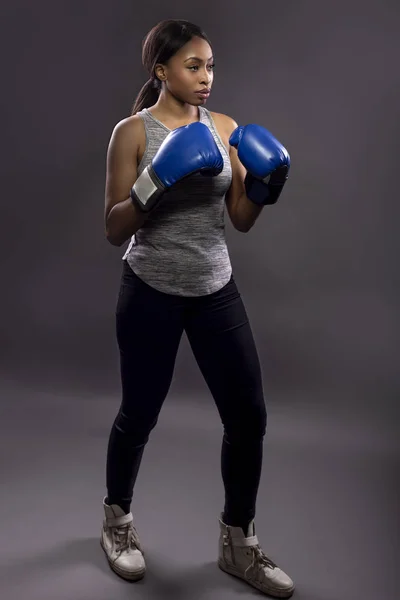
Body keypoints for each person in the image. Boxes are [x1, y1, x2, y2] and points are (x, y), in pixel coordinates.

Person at [101, 18, 294, 598]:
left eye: (210, 65)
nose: (206, 77)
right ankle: (118, 523)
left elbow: (238, 218)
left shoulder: (226, 127)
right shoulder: (132, 133)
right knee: (139, 414)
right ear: (162, 71)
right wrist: (155, 179)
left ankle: (238, 543)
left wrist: (263, 187)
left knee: (249, 418)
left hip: (215, 291)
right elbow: (113, 228)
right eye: (193, 65)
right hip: (150, 291)